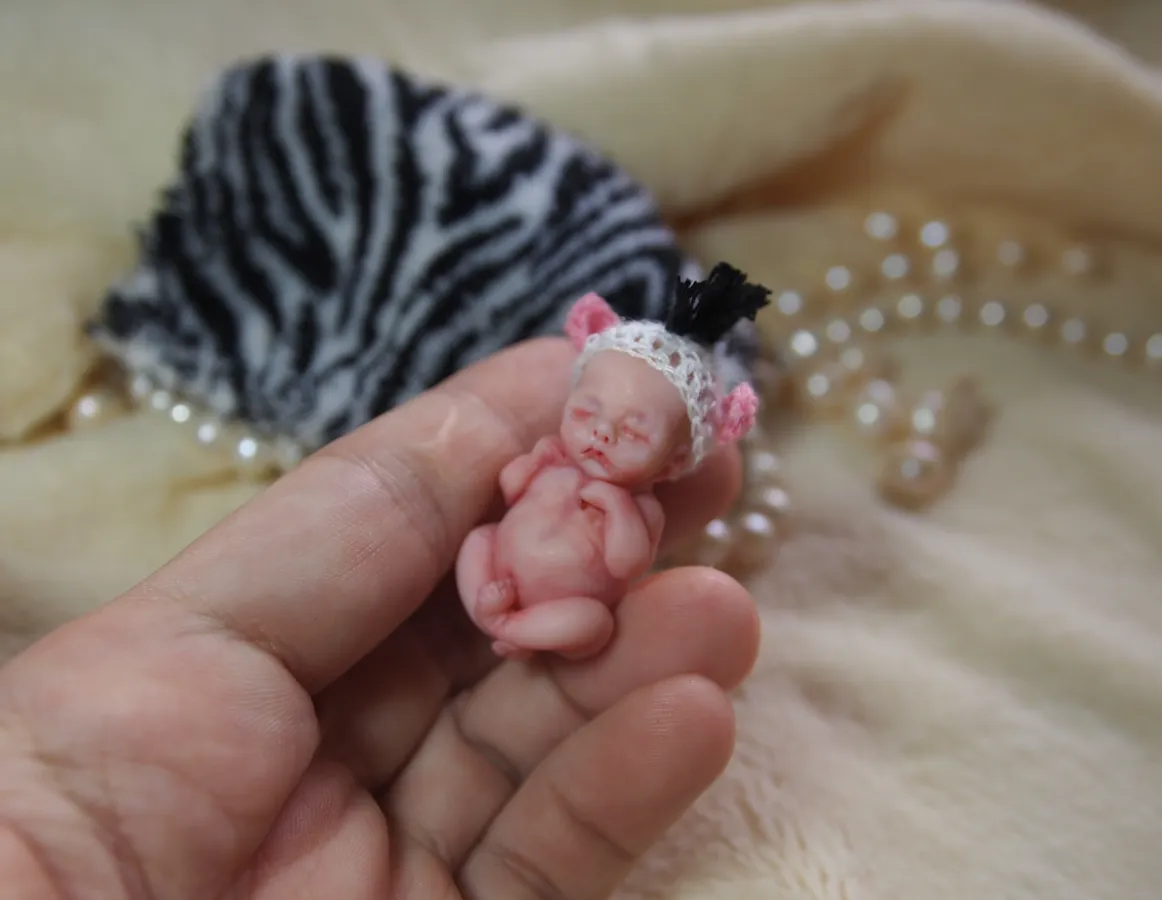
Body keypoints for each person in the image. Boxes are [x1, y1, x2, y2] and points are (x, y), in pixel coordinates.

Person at [0, 338, 760, 900]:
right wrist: (527, 471)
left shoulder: (636, 509)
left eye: (631, 434)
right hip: (500, 568)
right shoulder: (555, 461)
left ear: (669, 460)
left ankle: (520, 628)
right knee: (477, 544)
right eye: (587, 412)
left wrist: (610, 513)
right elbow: (508, 486)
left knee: (587, 624)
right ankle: (491, 603)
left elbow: (625, 561)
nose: (599, 436)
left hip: (565, 601)